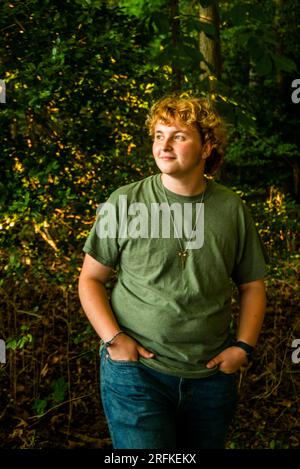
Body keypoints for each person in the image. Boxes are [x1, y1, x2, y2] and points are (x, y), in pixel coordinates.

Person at [78, 95, 268, 449]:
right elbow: (90, 279)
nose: (163, 146)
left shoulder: (232, 208)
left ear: (207, 146)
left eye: (178, 136)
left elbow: (252, 284)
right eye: (158, 135)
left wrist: (243, 347)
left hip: (211, 377)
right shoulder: (125, 202)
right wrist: (114, 340)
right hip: (137, 374)